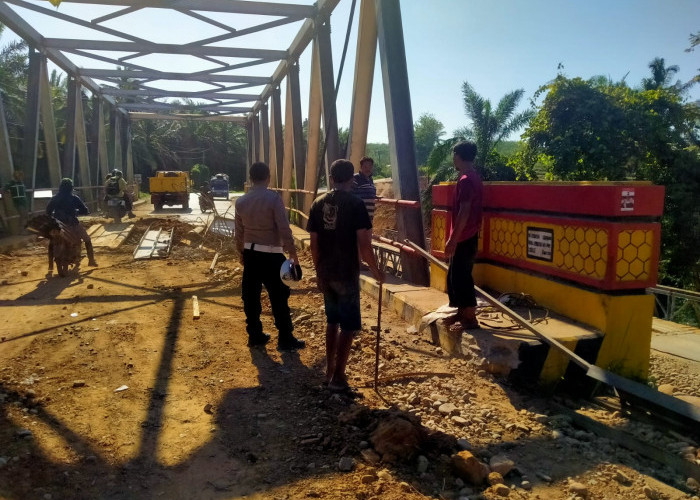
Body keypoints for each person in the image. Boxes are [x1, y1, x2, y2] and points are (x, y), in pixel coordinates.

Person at [307, 159, 383, 393]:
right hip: (346, 272)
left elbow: (313, 244)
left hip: (327, 271)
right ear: (352, 179)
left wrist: (318, 270)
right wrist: (376, 271)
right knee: (348, 326)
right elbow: (365, 245)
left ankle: (329, 371)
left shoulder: (317, 203)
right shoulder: (356, 204)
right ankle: (339, 378)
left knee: (332, 321)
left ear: (331, 178)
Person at [234, 161, 305, 351]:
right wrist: (292, 253)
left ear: (250, 178)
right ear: (268, 177)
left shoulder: (241, 202)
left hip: (251, 254)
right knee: (279, 296)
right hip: (272, 255)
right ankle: (285, 337)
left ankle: (255, 335)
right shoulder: (273, 199)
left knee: (250, 296)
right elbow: (283, 228)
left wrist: (241, 253)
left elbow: (239, 232)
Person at [443, 141, 483, 330]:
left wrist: (453, 239)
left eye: (454, 155)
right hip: (468, 234)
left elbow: (464, 210)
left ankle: (470, 318)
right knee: (455, 275)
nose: (453, 159)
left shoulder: (466, 179)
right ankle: (461, 312)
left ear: (458, 156)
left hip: (464, 235)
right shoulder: (473, 177)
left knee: (461, 276)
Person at [46, 178, 98, 268]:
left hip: (58, 225)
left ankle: (50, 264)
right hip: (72, 223)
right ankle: (91, 260)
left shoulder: (55, 198)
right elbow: (84, 210)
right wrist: (79, 212)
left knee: (52, 242)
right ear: (71, 187)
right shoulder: (74, 198)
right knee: (87, 239)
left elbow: (48, 211)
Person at [352, 156, 377, 221]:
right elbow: (349, 194)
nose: (368, 169)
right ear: (361, 167)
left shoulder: (370, 179)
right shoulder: (355, 178)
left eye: (370, 166)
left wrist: (375, 196)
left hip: (369, 214)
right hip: (359, 215)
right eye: (365, 166)